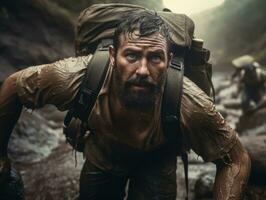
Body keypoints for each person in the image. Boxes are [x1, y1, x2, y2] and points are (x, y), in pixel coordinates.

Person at [0, 10, 251, 200]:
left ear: (169, 60)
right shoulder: (77, 75)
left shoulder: (187, 100)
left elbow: (236, 159)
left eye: (155, 58)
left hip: (158, 160)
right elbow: (14, 85)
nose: (143, 70)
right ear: (112, 55)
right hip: (102, 152)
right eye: (131, 55)